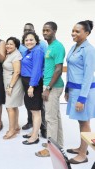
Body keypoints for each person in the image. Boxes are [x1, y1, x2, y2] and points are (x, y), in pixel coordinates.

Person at [65, 20, 95, 164]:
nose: (73, 33)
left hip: (84, 92)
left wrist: (82, 99)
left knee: (85, 123)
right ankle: (81, 147)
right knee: (81, 121)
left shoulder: (89, 50)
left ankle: (83, 154)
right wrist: (67, 89)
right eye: (73, 30)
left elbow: (88, 76)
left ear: (87, 33)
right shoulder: (74, 47)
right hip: (74, 89)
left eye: (77, 31)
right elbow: (71, 70)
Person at [35, 22, 65, 157]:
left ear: (54, 31)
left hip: (52, 87)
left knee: (50, 118)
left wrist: (47, 88)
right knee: (55, 117)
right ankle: (58, 144)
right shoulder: (49, 46)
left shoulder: (58, 47)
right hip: (49, 85)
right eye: (43, 30)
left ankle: (50, 150)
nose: (45, 32)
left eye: (48, 30)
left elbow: (58, 69)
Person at [19, 23, 47, 139]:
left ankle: (35, 136)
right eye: (26, 40)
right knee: (32, 110)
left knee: (36, 111)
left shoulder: (37, 51)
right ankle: (33, 132)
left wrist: (32, 86)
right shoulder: (28, 51)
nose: (29, 42)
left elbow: (36, 70)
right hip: (27, 84)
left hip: (33, 84)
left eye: (31, 40)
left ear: (36, 41)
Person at [2, 37, 24, 139]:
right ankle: (16, 126)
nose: (8, 46)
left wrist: (10, 86)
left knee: (10, 107)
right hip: (9, 83)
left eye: (11, 44)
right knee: (13, 106)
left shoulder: (16, 55)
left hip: (13, 84)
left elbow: (17, 72)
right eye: (7, 44)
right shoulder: (10, 54)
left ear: (16, 46)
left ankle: (11, 131)